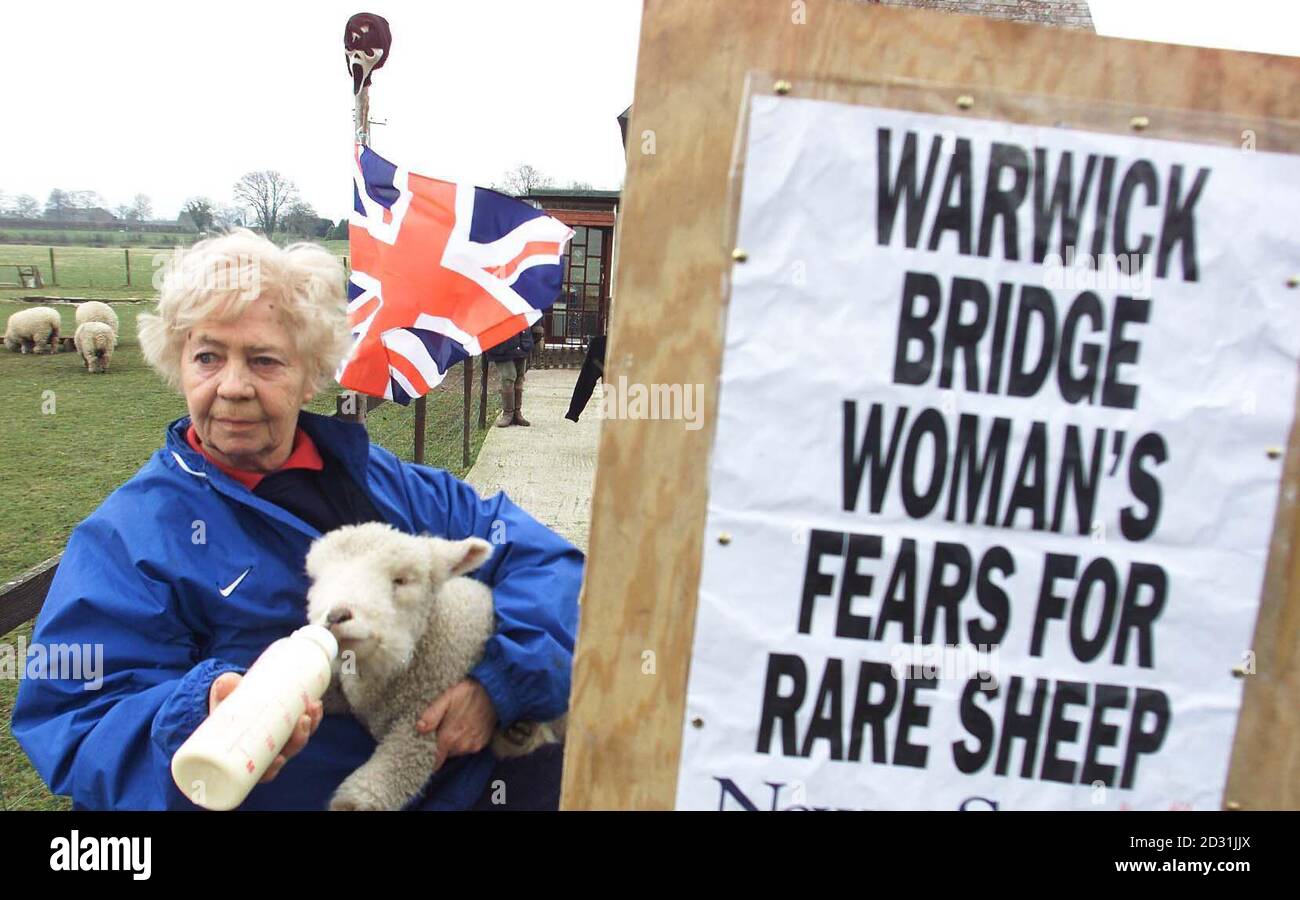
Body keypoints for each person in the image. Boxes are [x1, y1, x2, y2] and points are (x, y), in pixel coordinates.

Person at [10, 230, 583, 810]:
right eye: (208, 356)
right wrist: (195, 714)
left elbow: (548, 563)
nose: (232, 387)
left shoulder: (383, 483)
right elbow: (76, 716)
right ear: (176, 361)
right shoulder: (128, 540)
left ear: (311, 373)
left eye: (264, 360)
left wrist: (499, 685)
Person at [486, 323, 534, 427]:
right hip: (501, 345)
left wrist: (536, 332)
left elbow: (533, 316)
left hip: (522, 342)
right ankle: (508, 413)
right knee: (509, 377)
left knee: (519, 378)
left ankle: (517, 413)